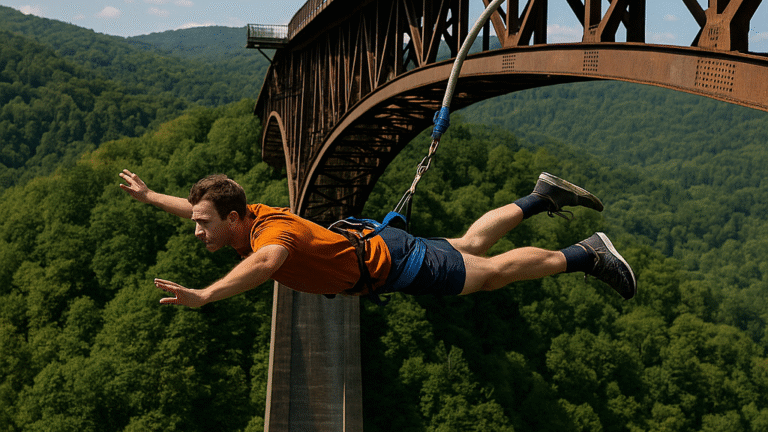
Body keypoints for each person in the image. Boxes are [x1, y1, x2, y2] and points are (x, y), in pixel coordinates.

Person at [118, 169, 636, 307]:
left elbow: (267, 262)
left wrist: (206, 294)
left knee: (490, 274)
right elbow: (196, 206)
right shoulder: (244, 214)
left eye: (204, 224)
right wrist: (151, 197)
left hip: (395, 265)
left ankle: (585, 254)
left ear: (232, 218)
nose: (197, 229)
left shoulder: (270, 233)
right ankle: (542, 197)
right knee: (470, 246)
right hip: (382, 248)